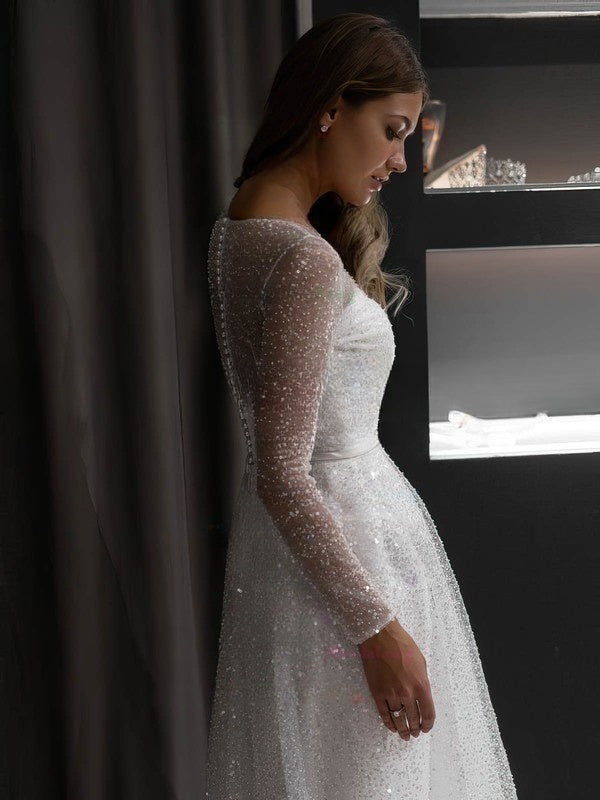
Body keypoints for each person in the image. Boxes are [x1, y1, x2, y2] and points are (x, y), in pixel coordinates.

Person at [205, 12, 518, 799]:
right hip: (351, 569)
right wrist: (376, 628)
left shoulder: (239, 228)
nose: (400, 161)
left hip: (302, 567)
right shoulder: (302, 260)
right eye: (392, 131)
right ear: (330, 107)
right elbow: (282, 472)